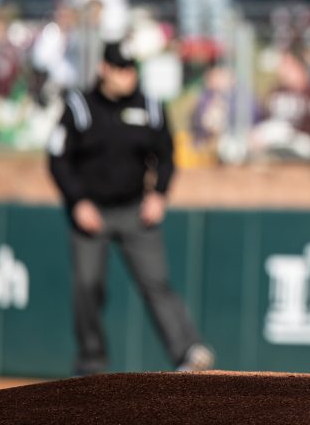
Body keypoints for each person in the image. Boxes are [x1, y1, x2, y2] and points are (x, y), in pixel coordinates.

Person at [48, 41, 215, 376]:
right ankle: (91, 362)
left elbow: (167, 156)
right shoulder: (80, 106)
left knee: (157, 283)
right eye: (120, 68)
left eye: (131, 68)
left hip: (134, 207)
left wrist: (160, 194)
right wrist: (77, 200)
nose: (127, 76)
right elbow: (58, 159)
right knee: (88, 285)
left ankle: (187, 353)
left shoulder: (150, 106)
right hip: (91, 211)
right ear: (104, 69)